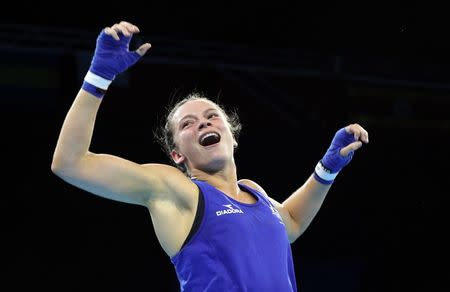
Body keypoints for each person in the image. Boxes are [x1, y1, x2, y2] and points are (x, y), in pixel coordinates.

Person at [51, 21, 369, 291]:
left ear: (232, 135)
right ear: (177, 155)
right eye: (187, 124)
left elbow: (293, 222)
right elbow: (70, 163)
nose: (203, 122)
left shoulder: (254, 192)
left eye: (211, 116)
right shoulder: (178, 192)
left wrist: (327, 169)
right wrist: (97, 78)